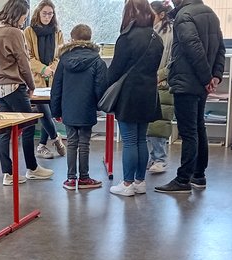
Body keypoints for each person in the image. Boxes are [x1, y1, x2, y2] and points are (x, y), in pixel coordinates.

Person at [155, 0, 224, 194]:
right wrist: (215, 76)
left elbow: (193, 48)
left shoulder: (184, 15)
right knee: (198, 127)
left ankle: (183, 179)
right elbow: (221, 47)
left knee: (188, 132)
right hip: (201, 83)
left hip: (187, 82)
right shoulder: (210, 13)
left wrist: (206, 78)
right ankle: (198, 176)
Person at [0, 0, 54, 186]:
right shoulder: (15, 32)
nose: (24, 20)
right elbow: (24, 63)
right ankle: (32, 168)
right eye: (24, 17)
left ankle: (8, 174)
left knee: (5, 131)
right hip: (15, 88)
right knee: (28, 126)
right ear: (17, 14)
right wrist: (31, 86)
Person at [106, 0, 164, 197]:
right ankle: (140, 182)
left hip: (129, 95)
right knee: (141, 139)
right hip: (149, 94)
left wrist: (102, 88)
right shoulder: (157, 38)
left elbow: (115, 71)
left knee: (129, 141)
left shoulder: (126, 38)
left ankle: (127, 183)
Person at [51, 24, 107, 191]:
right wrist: (99, 106)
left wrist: (56, 111)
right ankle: (84, 178)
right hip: (87, 108)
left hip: (68, 108)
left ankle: (70, 179)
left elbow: (56, 87)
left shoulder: (63, 60)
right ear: (90, 39)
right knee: (84, 143)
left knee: (71, 143)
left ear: (72, 39)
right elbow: (100, 87)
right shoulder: (97, 60)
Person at [23, 0, 67, 160]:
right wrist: (42, 69)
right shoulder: (28, 31)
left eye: (50, 14)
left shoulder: (57, 32)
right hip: (36, 78)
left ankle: (42, 146)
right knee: (43, 111)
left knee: (50, 111)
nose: (47, 17)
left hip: (53, 77)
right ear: (38, 13)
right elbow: (27, 56)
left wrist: (51, 69)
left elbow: (60, 55)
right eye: (44, 13)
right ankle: (55, 138)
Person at [146, 0, 175, 174]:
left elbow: (173, 61)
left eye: (152, 14)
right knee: (149, 124)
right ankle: (152, 158)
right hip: (149, 81)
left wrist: (160, 75)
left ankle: (160, 159)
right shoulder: (150, 31)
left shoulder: (171, 32)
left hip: (162, 82)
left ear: (162, 15)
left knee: (159, 124)